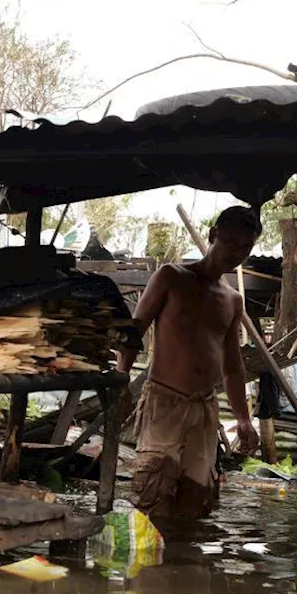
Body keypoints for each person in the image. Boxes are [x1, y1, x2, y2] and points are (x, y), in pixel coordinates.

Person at [116, 205, 261, 519]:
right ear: (213, 235)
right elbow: (133, 332)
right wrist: (120, 380)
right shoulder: (171, 277)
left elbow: (233, 366)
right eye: (231, 242)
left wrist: (244, 419)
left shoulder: (232, 300)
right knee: (151, 497)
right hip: (163, 401)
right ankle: (147, 569)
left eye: (245, 247)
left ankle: (182, 565)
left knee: (196, 502)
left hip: (205, 409)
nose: (237, 252)